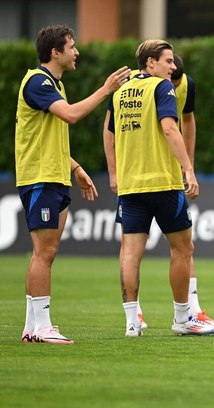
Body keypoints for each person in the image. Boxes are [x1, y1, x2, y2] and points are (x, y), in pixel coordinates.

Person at [15, 24, 130, 344]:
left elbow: (45, 137)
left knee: (45, 253)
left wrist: (75, 167)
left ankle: (31, 326)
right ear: (56, 52)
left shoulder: (53, 85)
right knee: (43, 252)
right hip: (40, 178)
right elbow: (70, 115)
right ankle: (43, 327)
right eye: (71, 46)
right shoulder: (38, 82)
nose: (76, 51)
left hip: (54, 175)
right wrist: (106, 89)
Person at [103, 55, 214, 331]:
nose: (171, 71)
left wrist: (113, 173)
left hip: (131, 183)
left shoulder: (121, 89)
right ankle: (183, 318)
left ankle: (132, 322)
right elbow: (171, 128)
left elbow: (109, 130)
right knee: (183, 248)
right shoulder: (163, 88)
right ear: (152, 63)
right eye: (168, 63)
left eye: (174, 68)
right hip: (163, 182)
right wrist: (189, 169)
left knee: (131, 252)